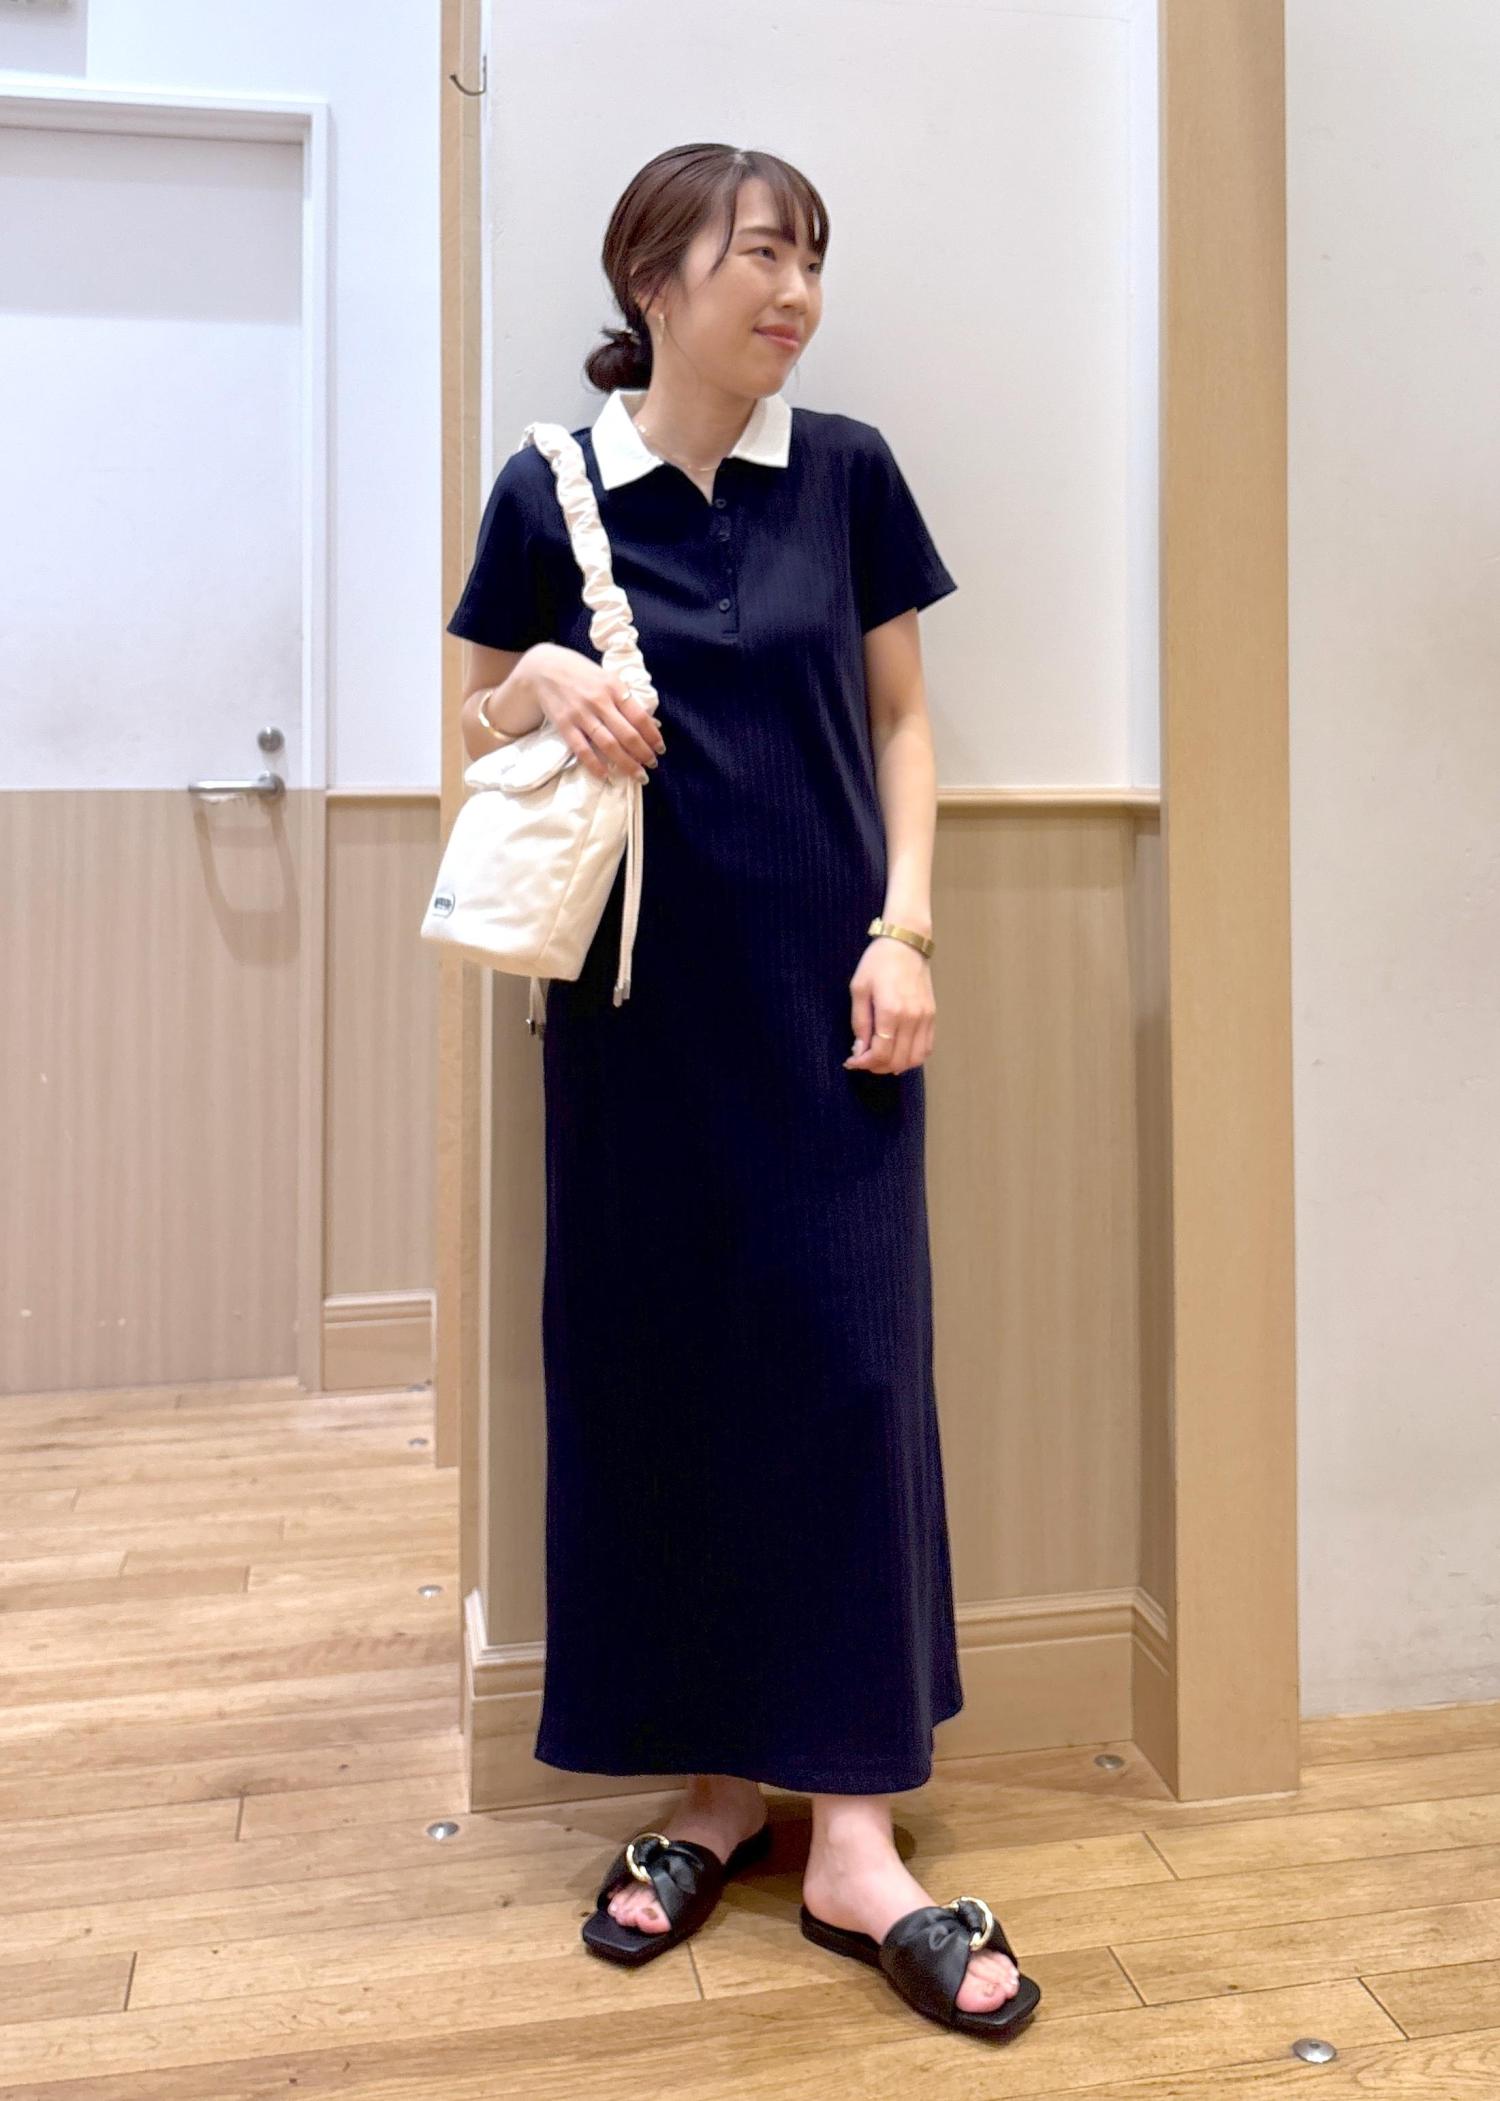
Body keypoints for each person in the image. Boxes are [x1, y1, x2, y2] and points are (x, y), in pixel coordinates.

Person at [447, 143, 1039, 2039]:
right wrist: (544, 676)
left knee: (851, 1382)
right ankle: (711, 1793)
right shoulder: (549, 489)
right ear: (656, 275)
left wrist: (908, 928)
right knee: (660, 1379)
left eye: (810, 262)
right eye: (763, 257)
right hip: (632, 1026)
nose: (795, 294)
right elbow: (470, 712)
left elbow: (904, 722)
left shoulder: (846, 472)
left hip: (832, 1008)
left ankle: (855, 1832)